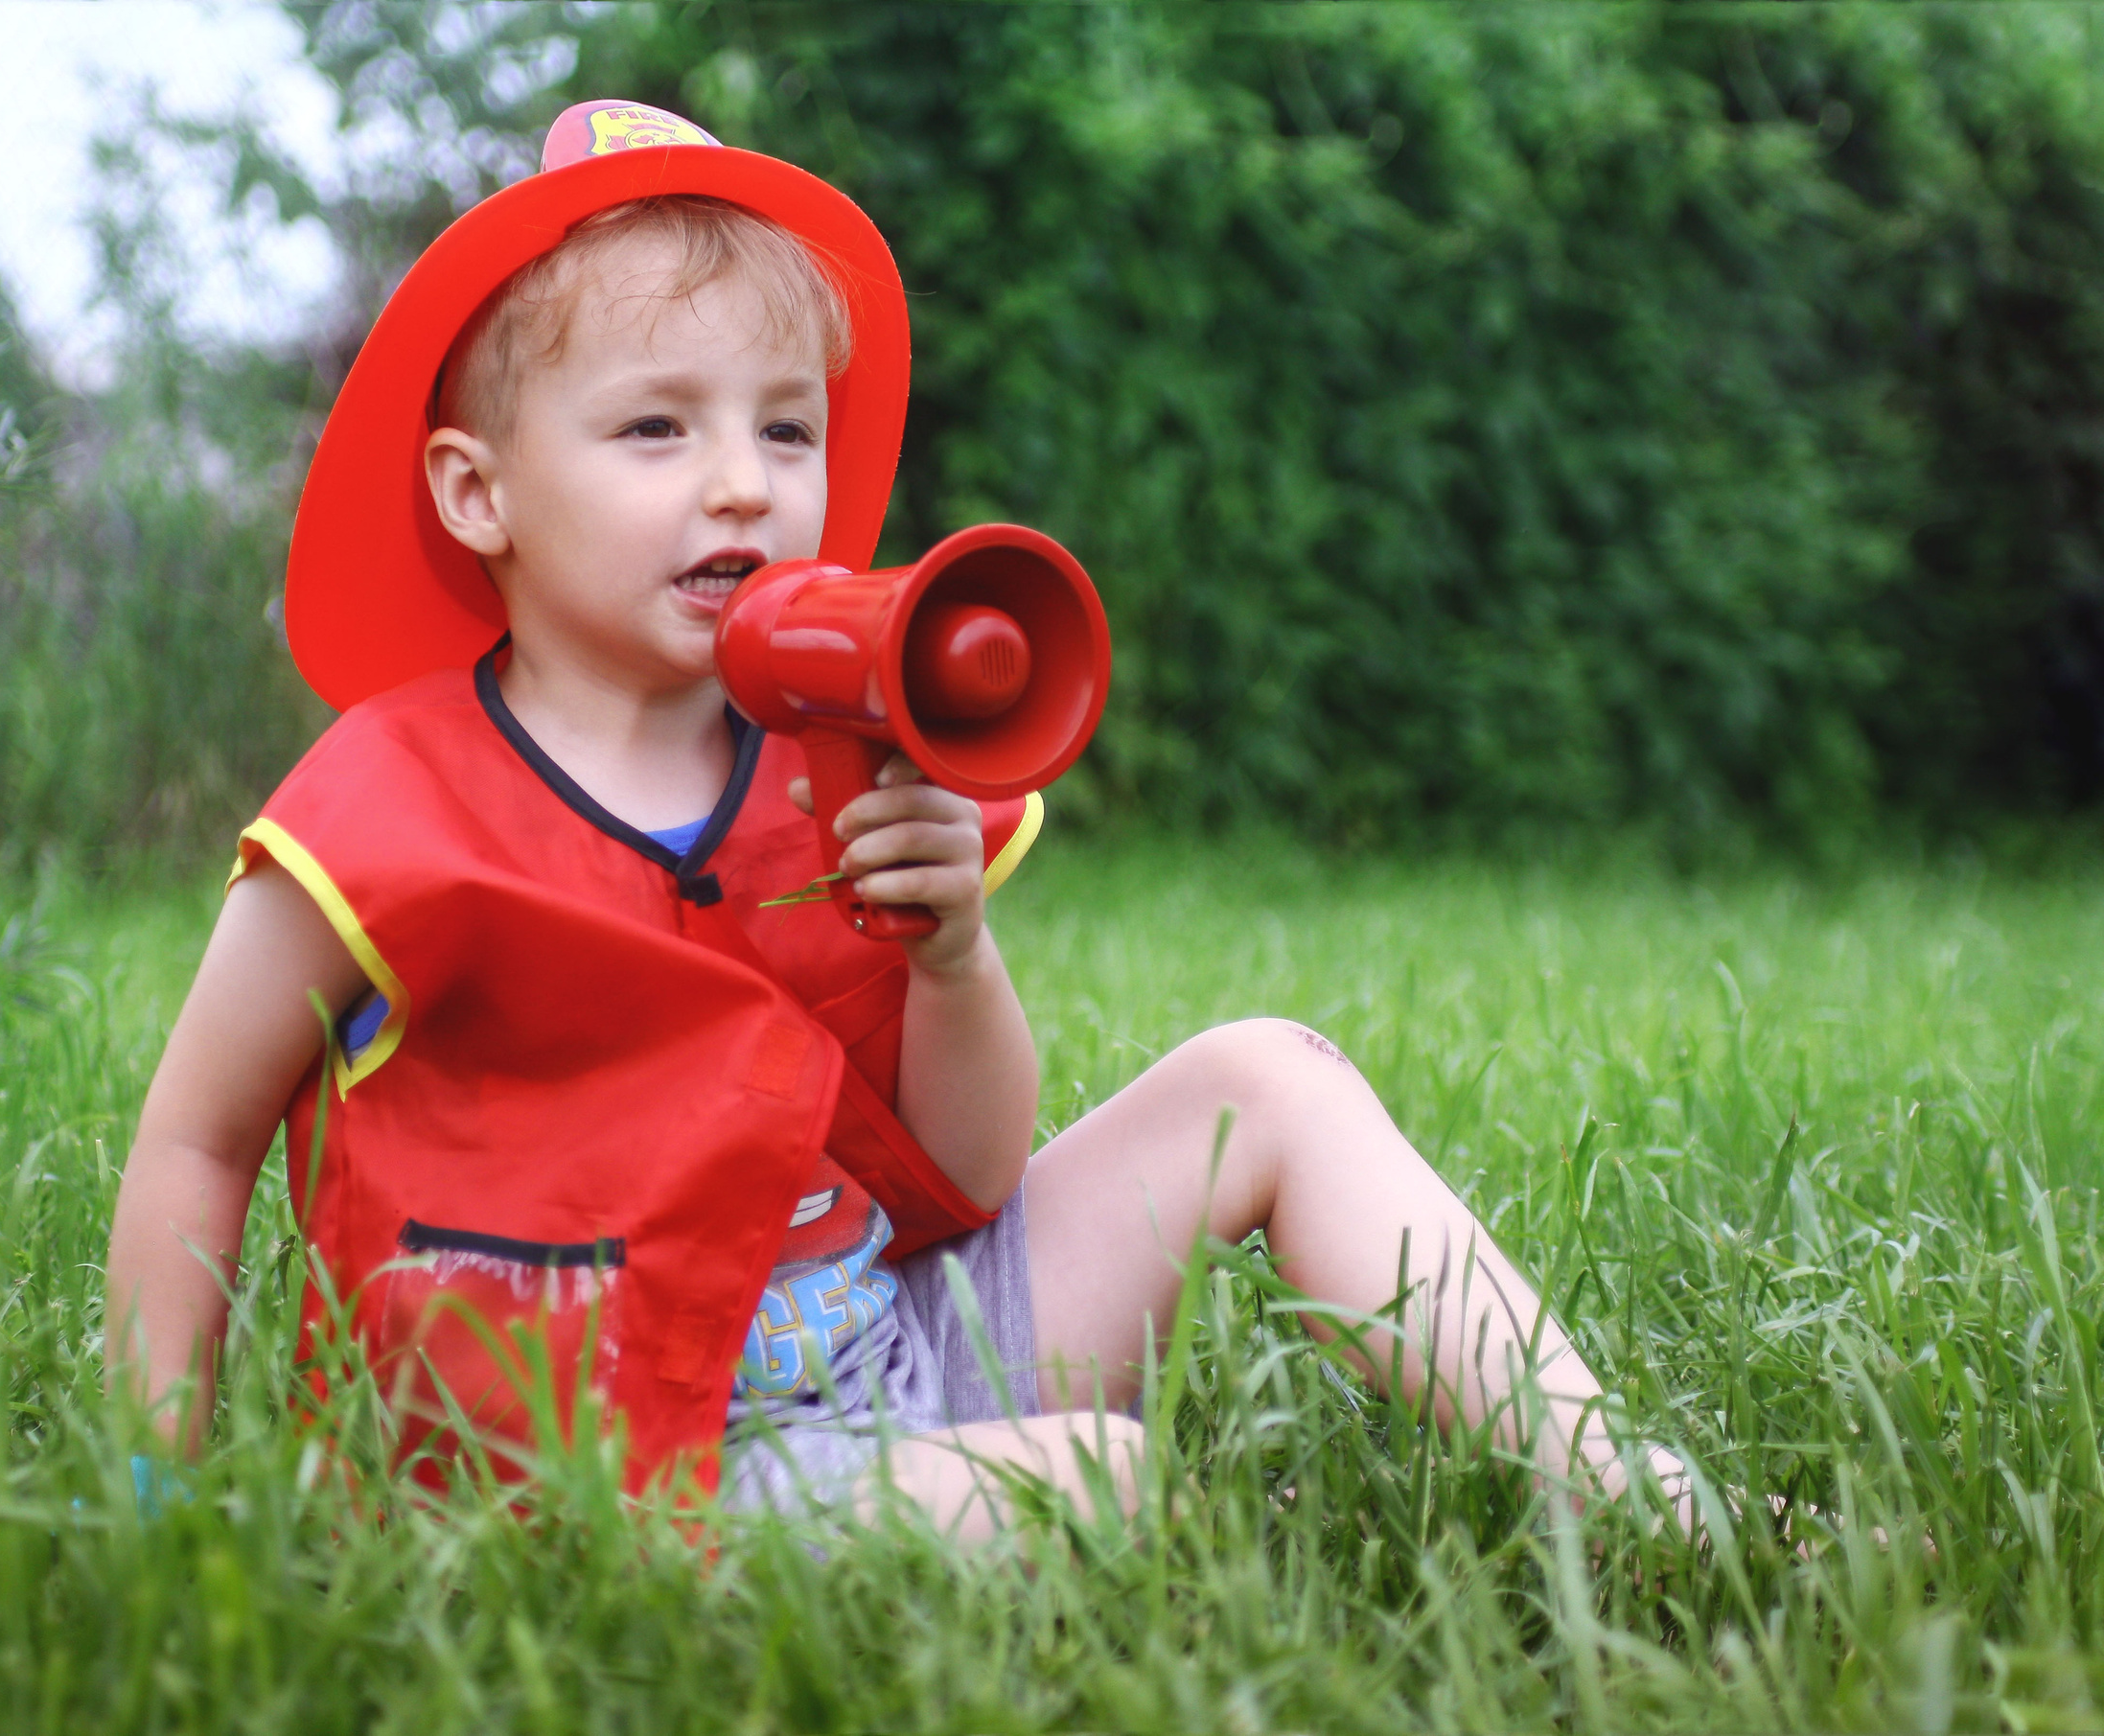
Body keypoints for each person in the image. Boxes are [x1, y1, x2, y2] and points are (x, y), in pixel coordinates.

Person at [103, 99, 1675, 1539]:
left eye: (786, 429)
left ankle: (1638, 1502)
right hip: (623, 1460)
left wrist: (951, 959)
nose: (743, 484)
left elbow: (970, 1179)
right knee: (1101, 1487)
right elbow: (198, 1138)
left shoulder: (834, 756)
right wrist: (158, 1476)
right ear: (476, 494)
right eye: (658, 430)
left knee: (1266, 1078)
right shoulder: (385, 817)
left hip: (890, 1332)